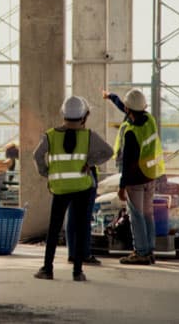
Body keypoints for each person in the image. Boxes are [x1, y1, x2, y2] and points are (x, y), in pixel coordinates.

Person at [32, 96, 113, 282]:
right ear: (84, 115)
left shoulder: (50, 135)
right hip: (82, 187)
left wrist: (46, 172)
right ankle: (77, 272)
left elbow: (37, 155)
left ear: (63, 113)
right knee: (80, 227)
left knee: (54, 229)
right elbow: (108, 152)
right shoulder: (89, 136)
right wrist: (90, 162)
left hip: (60, 188)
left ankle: (47, 269)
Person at [113, 88, 165, 265]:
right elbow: (131, 108)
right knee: (148, 214)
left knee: (137, 216)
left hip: (135, 179)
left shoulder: (131, 132)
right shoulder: (150, 120)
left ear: (128, 110)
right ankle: (149, 250)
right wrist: (112, 98)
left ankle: (141, 252)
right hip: (150, 175)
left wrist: (122, 186)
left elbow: (127, 164)